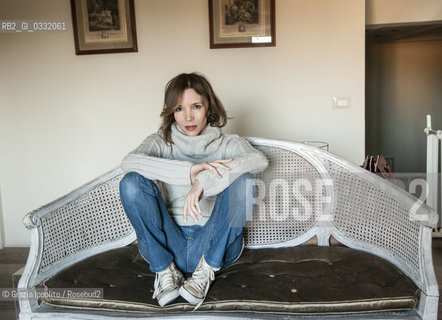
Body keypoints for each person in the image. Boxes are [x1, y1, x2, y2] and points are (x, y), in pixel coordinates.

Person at [119, 72, 268, 309]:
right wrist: (188, 172)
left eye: (196, 106)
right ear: (171, 112)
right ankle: (164, 271)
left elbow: (259, 160)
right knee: (131, 183)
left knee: (245, 182)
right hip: (169, 244)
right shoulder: (160, 142)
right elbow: (129, 162)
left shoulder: (227, 143)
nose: (188, 116)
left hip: (213, 244)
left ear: (209, 107)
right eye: (179, 109)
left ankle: (206, 271)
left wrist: (203, 182)